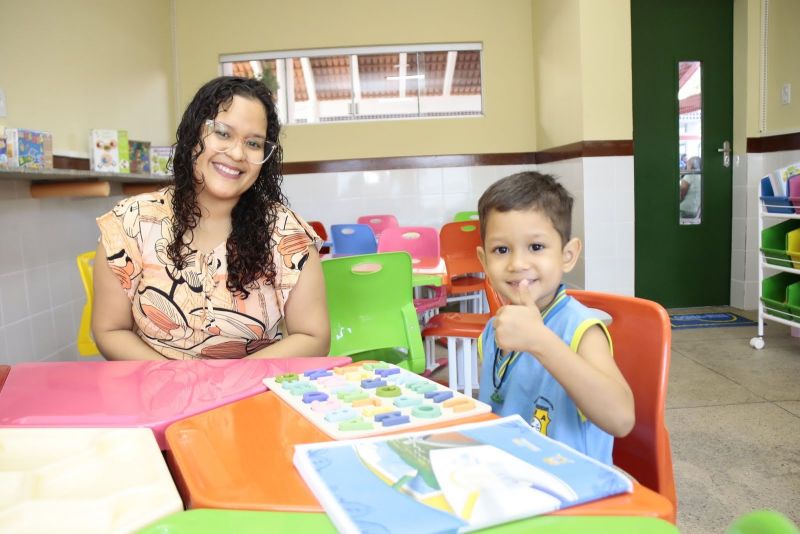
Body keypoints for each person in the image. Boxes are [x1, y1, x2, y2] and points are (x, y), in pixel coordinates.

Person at [93, 76, 330, 360]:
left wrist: (227, 385)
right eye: (223, 133)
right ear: (194, 135)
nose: (237, 153)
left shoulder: (287, 233)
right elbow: (110, 330)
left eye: (253, 143)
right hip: (156, 394)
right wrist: (178, 382)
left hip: (250, 395)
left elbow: (313, 337)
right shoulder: (132, 222)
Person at [475, 172, 634, 463]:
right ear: (484, 261)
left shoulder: (581, 329)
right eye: (501, 250)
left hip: (576, 492)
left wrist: (541, 342)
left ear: (568, 255)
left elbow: (621, 419)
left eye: (536, 247)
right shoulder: (493, 330)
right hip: (511, 477)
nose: (517, 264)